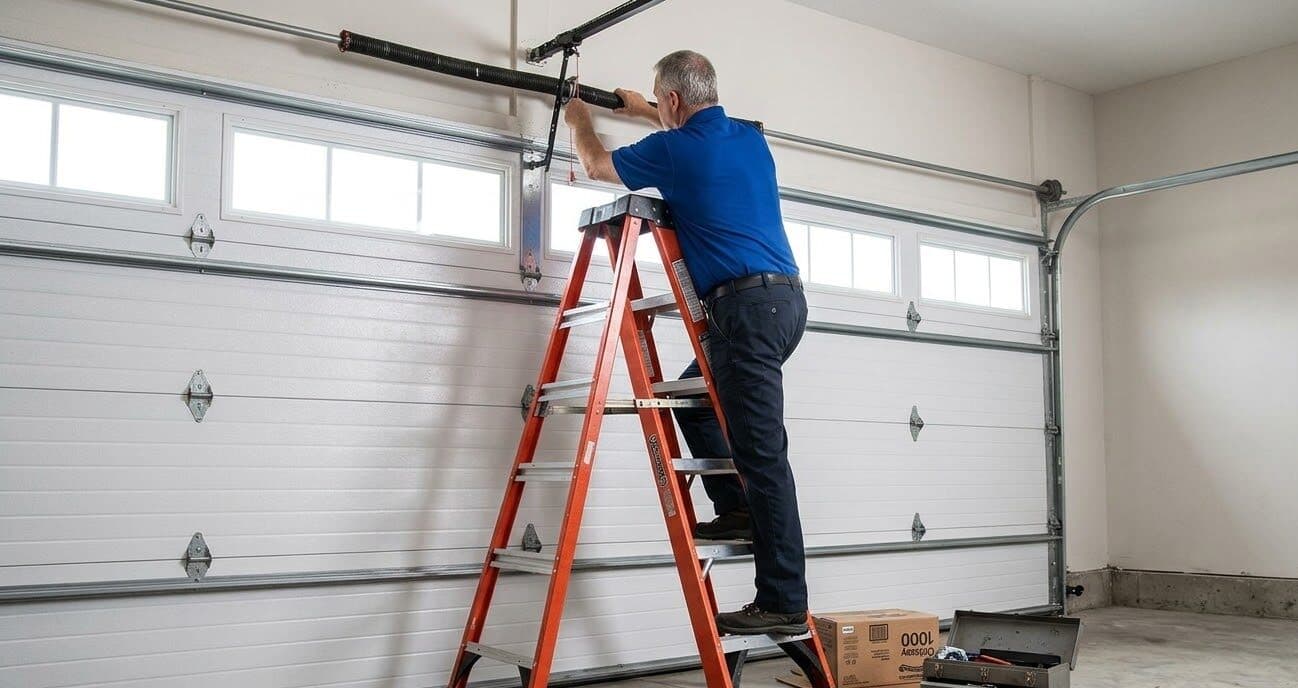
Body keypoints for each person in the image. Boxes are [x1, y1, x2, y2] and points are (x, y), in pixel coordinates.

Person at [564, 50, 810, 636]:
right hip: (783, 305)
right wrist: (648, 109)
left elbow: (597, 165)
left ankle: (783, 599)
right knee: (698, 400)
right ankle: (738, 509)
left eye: (660, 100)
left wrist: (579, 117)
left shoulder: (676, 149)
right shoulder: (749, 139)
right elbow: (696, 132)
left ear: (672, 100)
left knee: (763, 455)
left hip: (744, 311)